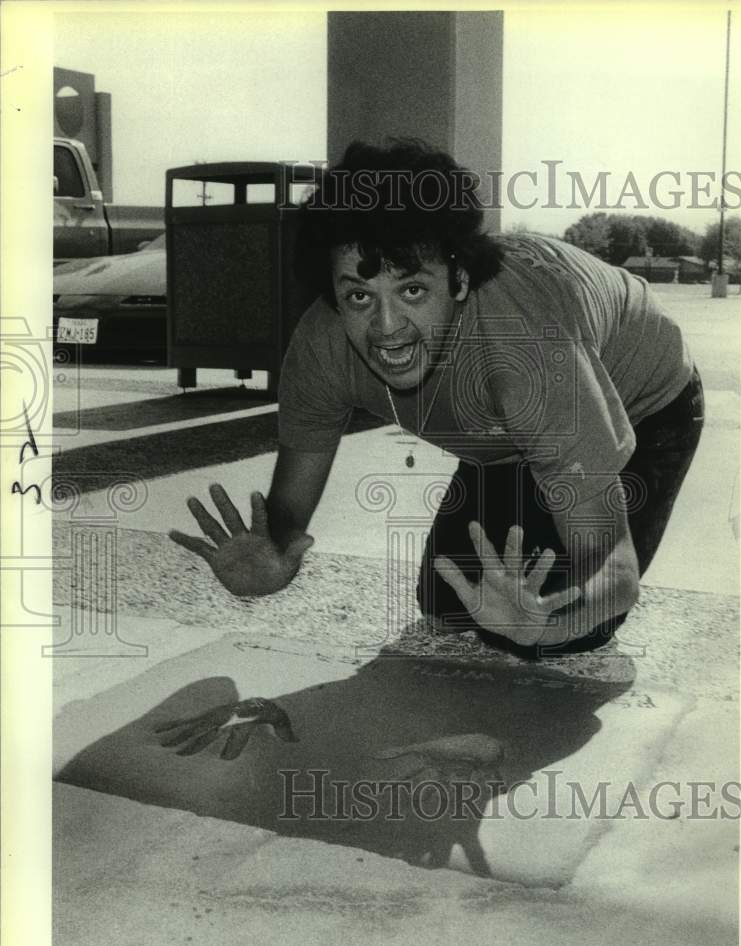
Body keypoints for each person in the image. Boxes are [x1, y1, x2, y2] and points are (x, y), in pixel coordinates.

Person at [170, 140, 704, 657]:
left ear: (460, 279)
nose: (386, 329)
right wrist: (272, 555)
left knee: (551, 628)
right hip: (508, 430)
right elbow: (285, 523)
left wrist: (546, 628)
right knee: (449, 605)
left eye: (412, 291)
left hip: (647, 403)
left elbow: (614, 570)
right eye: (359, 295)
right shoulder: (321, 348)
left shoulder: (527, 355)